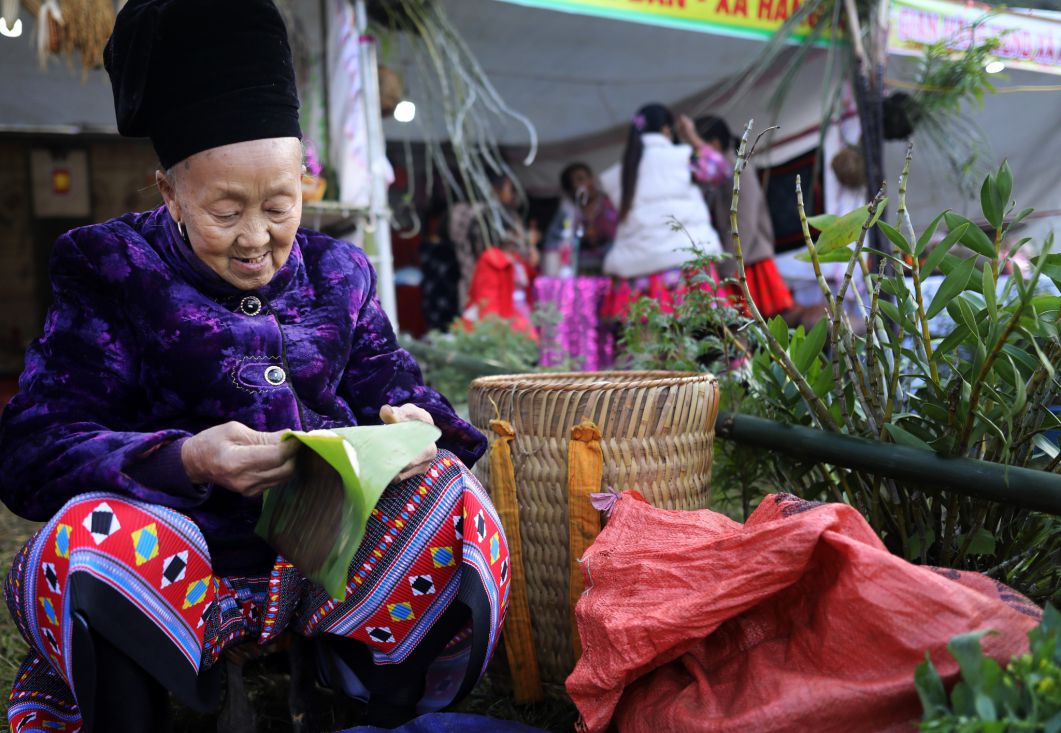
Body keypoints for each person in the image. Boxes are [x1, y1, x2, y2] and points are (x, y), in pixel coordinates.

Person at [0, 2, 509, 731]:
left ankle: (365, 701)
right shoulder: (111, 268)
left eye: (279, 204)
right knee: (90, 538)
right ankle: (150, 706)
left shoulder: (339, 273)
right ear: (168, 191)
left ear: (305, 176)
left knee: (450, 497)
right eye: (226, 211)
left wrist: (415, 424)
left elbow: (398, 387)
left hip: (324, 578)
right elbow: (29, 450)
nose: (257, 240)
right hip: (180, 579)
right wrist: (185, 459)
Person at [599, 103, 725, 319]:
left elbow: (610, 223)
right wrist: (693, 137)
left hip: (639, 276)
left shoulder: (617, 175)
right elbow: (718, 170)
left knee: (653, 346)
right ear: (667, 130)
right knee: (702, 339)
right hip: (688, 269)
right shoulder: (685, 157)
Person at [684, 115, 796, 321]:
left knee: (763, 328)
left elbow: (745, 221)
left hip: (748, 263)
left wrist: (728, 265)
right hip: (740, 261)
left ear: (714, 144)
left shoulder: (738, 169)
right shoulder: (726, 171)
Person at [451, 172, 539, 308]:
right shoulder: (491, 214)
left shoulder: (462, 211)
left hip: (472, 280)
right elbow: (517, 250)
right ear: (495, 189)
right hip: (492, 283)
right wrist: (527, 244)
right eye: (510, 189)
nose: (513, 195)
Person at [541, 162, 617, 277]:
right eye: (580, 179)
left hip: (610, 267)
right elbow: (552, 242)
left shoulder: (609, 203)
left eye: (589, 177)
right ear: (570, 189)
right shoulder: (567, 211)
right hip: (579, 271)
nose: (588, 183)